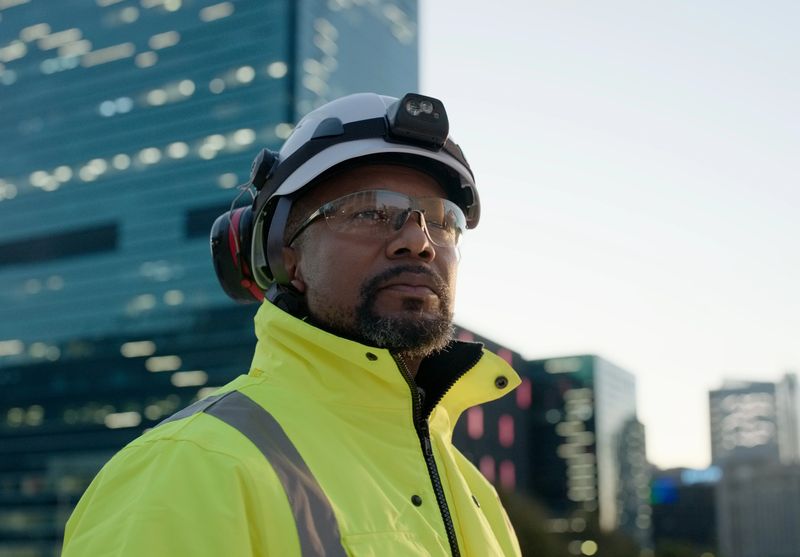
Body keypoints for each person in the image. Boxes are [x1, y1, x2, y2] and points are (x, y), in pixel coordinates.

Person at [62, 92, 522, 556]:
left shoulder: (475, 493)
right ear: (287, 258)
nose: (419, 241)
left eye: (442, 221)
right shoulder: (188, 467)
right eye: (370, 211)